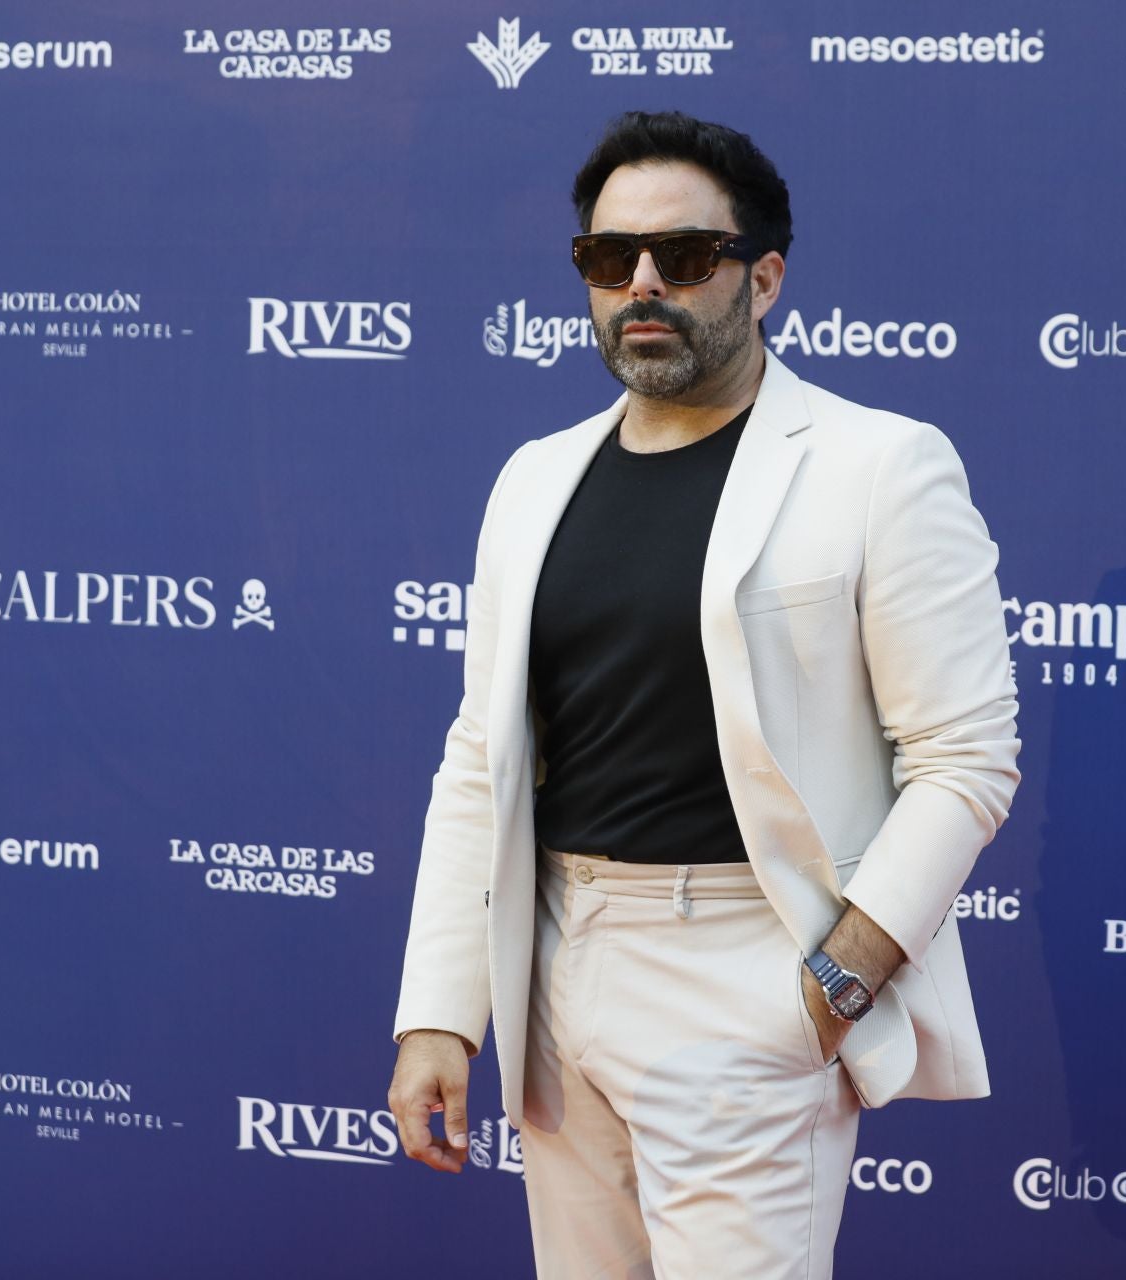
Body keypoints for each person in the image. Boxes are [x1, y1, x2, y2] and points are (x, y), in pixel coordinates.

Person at [388, 111, 1020, 1280]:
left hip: (749, 968)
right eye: (605, 258)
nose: (640, 284)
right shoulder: (534, 478)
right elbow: (480, 756)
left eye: (683, 258)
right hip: (554, 969)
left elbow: (964, 757)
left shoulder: (879, 462)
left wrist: (840, 974)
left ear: (763, 276)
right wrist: (438, 1008)